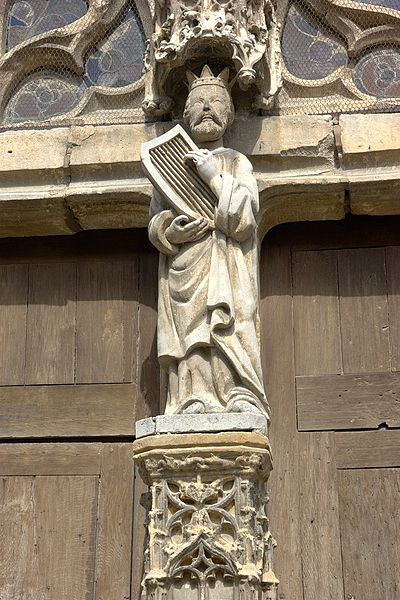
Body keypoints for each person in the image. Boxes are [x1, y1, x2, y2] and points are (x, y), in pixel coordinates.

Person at [148, 65, 269, 417]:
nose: (206, 107)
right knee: (192, 332)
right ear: (186, 115)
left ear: (228, 115)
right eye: (198, 101)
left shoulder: (235, 162)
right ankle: (193, 396)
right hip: (185, 266)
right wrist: (169, 232)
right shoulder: (170, 166)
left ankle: (238, 393)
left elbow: (245, 218)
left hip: (227, 262)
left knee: (229, 324)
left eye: (216, 101)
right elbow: (156, 219)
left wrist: (213, 176)